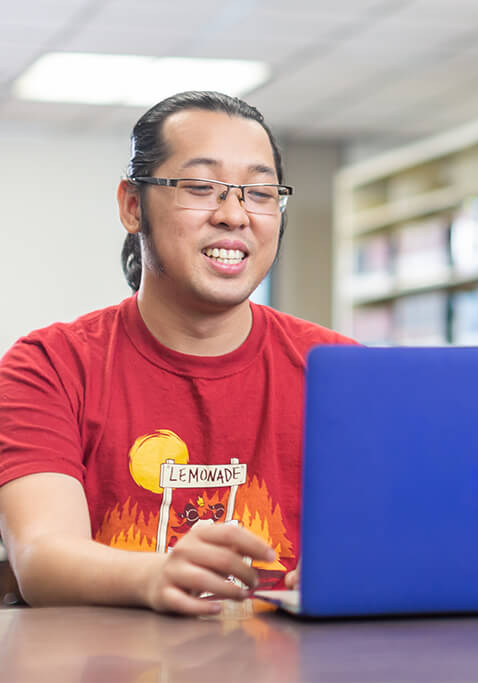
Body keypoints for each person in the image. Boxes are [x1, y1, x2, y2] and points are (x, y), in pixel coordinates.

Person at [0, 91, 357, 615]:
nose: (234, 215)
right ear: (131, 205)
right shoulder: (49, 366)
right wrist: (155, 574)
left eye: (259, 194)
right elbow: (41, 557)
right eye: (201, 187)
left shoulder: (342, 372)